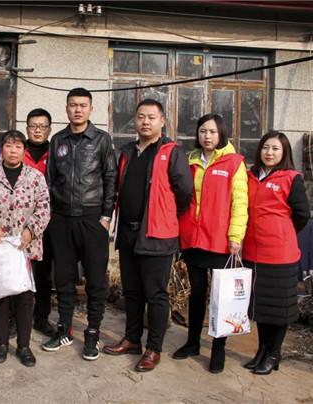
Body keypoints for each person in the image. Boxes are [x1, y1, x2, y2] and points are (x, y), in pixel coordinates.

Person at [104, 99, 192, 372]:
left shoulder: (171, 152)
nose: (145, 122)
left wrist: (166, 214)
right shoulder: (128, 151)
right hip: (128, 233)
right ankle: (132, 339)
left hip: (157, 234)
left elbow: (185, 192)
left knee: (155, 294)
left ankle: (154, 348)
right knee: (132, 291)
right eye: (141, 116)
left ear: (162, 121)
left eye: (151, 117)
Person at [43, 88, 118, 361]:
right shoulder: (57, 140)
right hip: (62, 219)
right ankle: (64, 330)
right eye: (73, 105)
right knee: (63, 279)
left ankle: (93, 333)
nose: (77, 110)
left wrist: (106, 216)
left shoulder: (102, 140)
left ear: (90, 109)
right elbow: (50, 179)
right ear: (66, 109)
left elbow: (111, 178)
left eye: (82, 105)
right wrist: (52, 215)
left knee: (95, 281)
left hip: (92, 219)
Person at [173, 114, 248, 373]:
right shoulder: (190, 160)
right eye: (203, 131)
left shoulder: (234, 162)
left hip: (219, 241)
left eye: (213, 132)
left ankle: (218, 348)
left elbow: (240, 202)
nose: (207, 136)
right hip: (193, 239)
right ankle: (192, 342)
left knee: (220, 297)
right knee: (196, 294)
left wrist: (235, 237)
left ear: (221, 134)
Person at [0, 130, 50, 366]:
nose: (13, 151)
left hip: (24, 248)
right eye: (8, 146)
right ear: (2, 148)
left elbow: (44, 208)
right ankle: (1, 343)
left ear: (24, 151)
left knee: (25, 299)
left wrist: (31, 230)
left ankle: (24, 346)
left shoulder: (35, 177)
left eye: (18, 147)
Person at [242, 131, 310, 375]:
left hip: (280, 255)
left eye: (275, 149)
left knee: (278, 308)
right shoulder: (250, 176)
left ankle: (274, 353)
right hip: (253, 252)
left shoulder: (291, 178)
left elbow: (302, 215)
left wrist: (281, 231)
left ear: (284, 153)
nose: (269, 153)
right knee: (260, 307)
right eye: (265, 147)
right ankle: (262, 350)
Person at [22, 108, 56, 337]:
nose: (37, 130)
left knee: (43, 273)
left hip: (48, 222)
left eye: (42, 126)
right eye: (33, 126)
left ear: (49, 130)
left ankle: (41, 317)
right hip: (18, 222)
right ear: (27, 128)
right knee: (18, 271)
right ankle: (16, 317)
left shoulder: (56, 153)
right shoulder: (18, 150)